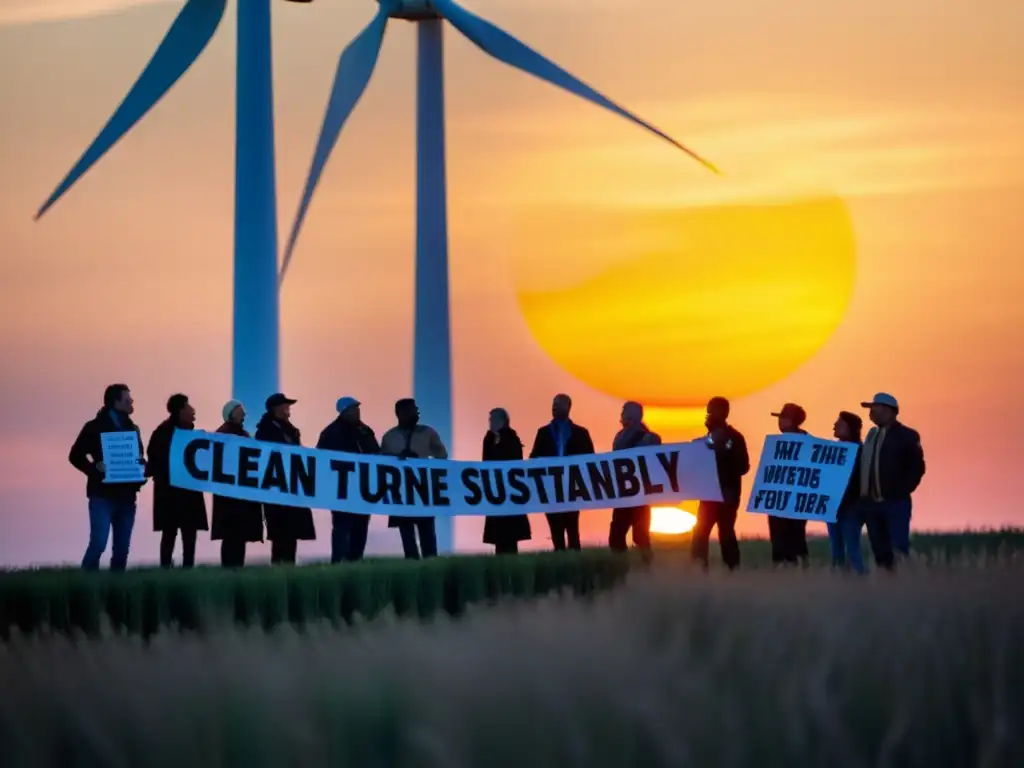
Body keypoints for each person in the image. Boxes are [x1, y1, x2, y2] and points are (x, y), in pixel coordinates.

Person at [68, 383, 147, 571]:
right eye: (127, 399)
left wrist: (139, 471)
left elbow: (139, 457)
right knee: (98, 543)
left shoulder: (133, 429)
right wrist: (94, 469)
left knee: (122, 550)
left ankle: (115, 590)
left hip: (127, 497)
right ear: (115, 402)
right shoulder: (94, 427)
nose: (132, 402)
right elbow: (75, 455)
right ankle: (85, 586)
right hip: (102, 495)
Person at [858, 392, 926, 566]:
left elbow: (917, 467)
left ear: (888, 410)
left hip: (895, 502)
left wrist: (902, 490)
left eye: (875, 407)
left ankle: (901, 582)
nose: (871, 412)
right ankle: (886, 584)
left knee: (898, 547)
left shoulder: (907, 436)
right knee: (880, 550)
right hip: (872, 504)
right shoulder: (871, 435)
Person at [145, 393, 208, 568]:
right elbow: (155, 461)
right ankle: (166, 567)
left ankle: (187, 568)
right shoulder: (162, 433)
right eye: (189, 406)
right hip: (170, 494)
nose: (193, 410)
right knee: (170, 534)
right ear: (180, 410)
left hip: (187, 493)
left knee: (189, 535)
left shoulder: (190, 435)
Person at [381, 398, 447, 559]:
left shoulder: (428, 432)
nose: (416, 413)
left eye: (416, 409)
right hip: (401, 492)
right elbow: (381, 462)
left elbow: (442, 456)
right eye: (411, 410)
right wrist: (398, 459)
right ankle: (412, 563)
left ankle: (431, 563)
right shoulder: (389, 437)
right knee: (406, 533)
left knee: (427, 532)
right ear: (399, 413)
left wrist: (423, 464)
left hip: (423, 490)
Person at [255, 393, 316, 564]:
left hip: (293, 488)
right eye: (285, 405)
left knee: (292, 533)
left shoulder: (290, 430)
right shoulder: (265, 431)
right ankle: (278, 568)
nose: (288, 408)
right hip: (276, 489)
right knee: (280, 534)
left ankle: (288, 567)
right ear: (275, 408)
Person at [317, 396, 380, 563]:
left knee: (361, 528)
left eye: (357, 408)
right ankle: (339, 563)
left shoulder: (365, 431)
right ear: (344, 412)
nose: (357, 411)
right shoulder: (331, 433)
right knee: (342, 528)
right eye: (353, 409)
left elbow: (377, 454)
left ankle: (355, 561)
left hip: (363, 489)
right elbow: (321, 461)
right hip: (341, 491)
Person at [529, 394, 595, 551]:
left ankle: (575, 561)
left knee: (572, 528)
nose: (554, 408)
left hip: (573, 487)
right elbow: (534, 457)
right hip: (550, 488)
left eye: (558, 405)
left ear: (568, 407)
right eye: (553, 404)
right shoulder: (543, 432)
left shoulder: (580, 433)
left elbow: (591, 459)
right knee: (556, 529)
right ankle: (560, 559)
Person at [691, 396, 749, 570]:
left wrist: (723, 449)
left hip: (727, 495)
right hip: (708, 495)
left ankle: (732, 570)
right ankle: (698, 570)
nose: (707, 416)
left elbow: (743, 467)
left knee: (726, 534)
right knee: (700, 534)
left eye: (711, 411)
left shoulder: (735, 438)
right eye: (707, 411)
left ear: (723, 413)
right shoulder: (705, 440)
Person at [210, 400, 265, 567]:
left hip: (240, 496)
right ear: (230, 413)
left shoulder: (243, 434)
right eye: (239, 410)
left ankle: (235, 568)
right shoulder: (225, 434)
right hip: (231, 497)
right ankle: (230, 568)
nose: (243, 414)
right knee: (232, 537)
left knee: (238, 536)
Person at [608, 401, 661, 557]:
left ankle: (645, 570)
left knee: (641, 536)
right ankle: (622, 568)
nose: (621, 416)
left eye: (624, 412)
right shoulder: (619, 437)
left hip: (642, 496)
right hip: (623, 495)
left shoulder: (651, 439)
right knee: (616, 537)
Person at [481, 408, 531, 555]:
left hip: (510, 493)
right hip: (495, 493)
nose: (490, 423)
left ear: (502, 421)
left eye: (493, 419)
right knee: (498, 535)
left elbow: (513, 461)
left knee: (510, 535)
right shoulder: (488, 438)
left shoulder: (511, 437)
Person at [768, 403, 811, 567]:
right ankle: (781, 570)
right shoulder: (776, 443)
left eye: (783, 418)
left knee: (796, 536)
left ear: (792, 421)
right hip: (776, 500)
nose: (779, 422)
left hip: (797, 500)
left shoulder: (809, 443)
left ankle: (799, 569)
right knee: (778, 538)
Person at [826, 411, 865, 572]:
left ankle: (859, 580)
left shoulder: (860, 451)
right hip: (833, 507)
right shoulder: (831, 450)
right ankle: (841, 581)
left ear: (850, 428)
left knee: (852, 550)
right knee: (836, 550)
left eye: (839, 423)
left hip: (851, 507)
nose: (834, 426)